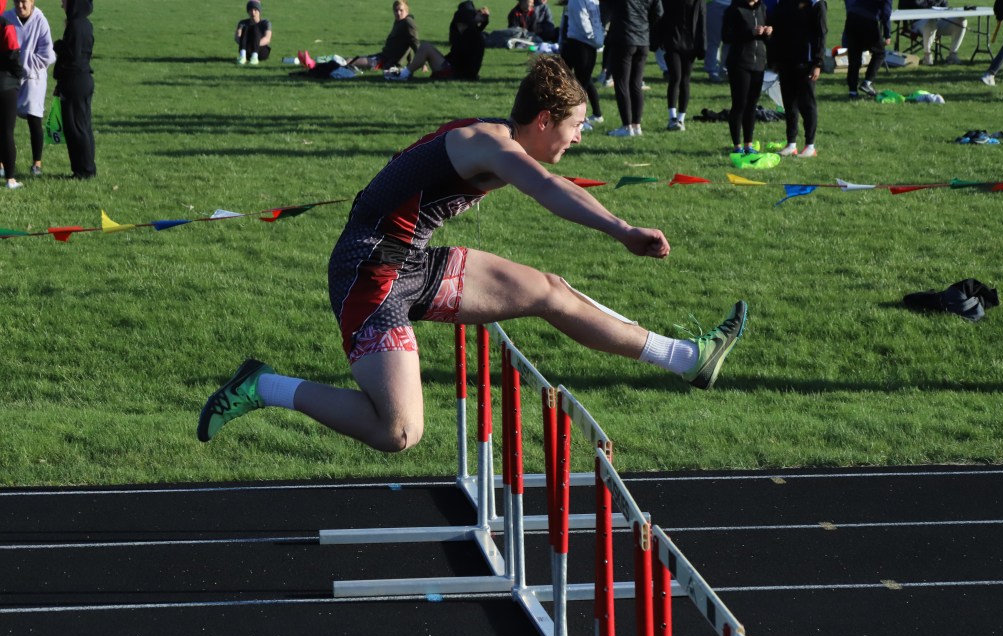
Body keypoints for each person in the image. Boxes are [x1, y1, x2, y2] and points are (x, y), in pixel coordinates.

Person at [197, 56, 748, 453]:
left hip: (411, 261)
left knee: (550, 292)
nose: (579, 137)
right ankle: (262, 385)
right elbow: (548, 188)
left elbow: (549, 182)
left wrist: (619, 226)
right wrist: (621, 231)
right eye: (576, 125)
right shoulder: (490, 144)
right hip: (369, 271)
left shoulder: (498, 139)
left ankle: (686, 358)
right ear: (543, 121)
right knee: (399, 431)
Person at [1, 0, 55, 179]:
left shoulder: (40, 20)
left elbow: (47, 54)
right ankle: (2, 163)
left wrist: (25, 64)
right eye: (16, 1)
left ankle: (36, 163)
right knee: (5, 123)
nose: (20, 5)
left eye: (24, 1)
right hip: (10, 77)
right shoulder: (6, 18)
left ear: (32, 2)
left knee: (34, 118)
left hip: (33, 78)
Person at [768, 0, 826, 157]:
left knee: (807, 104)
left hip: (806, 62)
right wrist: (774, 59)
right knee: (789, 104)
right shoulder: (784, 3)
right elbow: (777, 30)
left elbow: (821, 34)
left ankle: (810, 146)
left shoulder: (816, 4)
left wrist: (818, 63)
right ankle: (791, 143)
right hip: (786, 61)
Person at [385, 1, 489, 81]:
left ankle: (403, 75)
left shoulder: (472, 34)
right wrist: (477, 20)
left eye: (461, 24)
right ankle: (405, 72)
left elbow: (469, 38)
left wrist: (476, 20)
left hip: (457, 73)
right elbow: (458, 36)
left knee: (425, 47)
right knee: (426, 47)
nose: (458, 27)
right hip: (456, 70)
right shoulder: (469, 33)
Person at [605, 0, 663, 137]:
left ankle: (627, 126)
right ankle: (636, 125)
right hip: (642, 38)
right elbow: (658, 12)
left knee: (622, 83)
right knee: (636, 83)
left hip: (624, 37)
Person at [722, 0, 770, 153]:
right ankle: (737, 146)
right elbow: (726, 36)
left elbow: (765, 39)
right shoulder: (734, 9)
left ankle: (749, 144)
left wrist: (768, 33)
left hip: (759, 63)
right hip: (739, 63)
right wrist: (750, 33)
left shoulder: (762, 8)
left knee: (752, 105)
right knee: (740, 104)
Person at [52, 0, 93, 179]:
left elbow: (71, 56)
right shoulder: (86, 24)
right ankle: (86, 167)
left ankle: (83, 171)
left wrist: (58, 45)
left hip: (74, 81)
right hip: (84, 79)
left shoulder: (75, 25)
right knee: (83, 126)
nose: (62, 6)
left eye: (65, 2)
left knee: (75, 128)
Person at [655, 0, 705, 131]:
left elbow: (701, 21)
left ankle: (681, 118)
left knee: (685, 80)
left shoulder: (698, 1)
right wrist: (658, 39)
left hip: (690, 44)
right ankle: (672, 118)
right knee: (675, 77)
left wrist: (702, 46)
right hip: (672, 41)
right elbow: (661, 16)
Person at [561, 0, 605, 130]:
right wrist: (596, 39)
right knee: (580, 83)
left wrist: (598, 39)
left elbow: (595, 18)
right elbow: (582, 20)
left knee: (583, 82)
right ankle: (579, 119)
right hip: (579, 42)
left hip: (586, 44)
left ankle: (587, 118)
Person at [347, 1, 420, 72]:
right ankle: (342, 63)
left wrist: (422, 63)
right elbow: (408, 42)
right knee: (354, 59)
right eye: (396, 10)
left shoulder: (408, 22)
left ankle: (342, 64)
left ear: (406, 11)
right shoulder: (399, 21)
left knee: (352, 62)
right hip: (382, 57)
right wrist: (410, 61)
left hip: (386, 62)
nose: (398, 13)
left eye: (401, 10)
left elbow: (414, 42)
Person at [843, 0, 890, 99]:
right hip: (868, 20)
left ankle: (852, 91)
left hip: (852, 17)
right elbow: (886, 12)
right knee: (880, 53)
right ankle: (867, 82)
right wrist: (887, 34)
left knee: (854, 57)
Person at [0, 0, 25, 189]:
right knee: (7, 132)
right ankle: (10, 178)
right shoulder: (5, 25)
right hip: (5, 84)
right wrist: (18, 75)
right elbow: (13, 54)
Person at [897, 0, 965, 65]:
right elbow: (912, 5)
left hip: (938, 20)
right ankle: (927, 56)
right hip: (918, 21)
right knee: (930, 21)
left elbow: (945, 5)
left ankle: (952, 55)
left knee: (961, 20)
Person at [235, 0, 271, 65]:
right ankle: (242, 56)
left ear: (259, 11)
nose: (253, 12)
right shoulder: (242, 23)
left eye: (255, 10)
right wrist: (248, 45)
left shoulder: (265, 23)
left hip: (261, 51)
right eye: (250, 10)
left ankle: (255, 57)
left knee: (255, 28)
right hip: (247, 50)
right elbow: (237, 38)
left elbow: (267, 38)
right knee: (246, 28)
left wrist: (254, 44)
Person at [705, 0, 732, 81]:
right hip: (715, 3)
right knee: (713, 41)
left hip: (734, 5)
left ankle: (724, 70)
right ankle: (712, 71)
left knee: (729, 41)